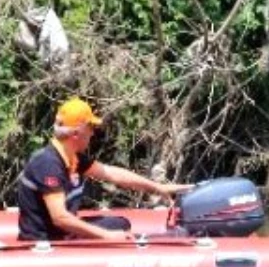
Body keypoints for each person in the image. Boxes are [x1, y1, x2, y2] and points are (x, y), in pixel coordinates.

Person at [17, 97, 194, 241]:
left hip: (62, 233)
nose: (93, 133)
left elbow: (112, 174)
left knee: (119, 223)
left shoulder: (73, 157)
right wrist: (106, 236)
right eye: (90, 127)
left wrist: (157, 188)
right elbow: (60, 218)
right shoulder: (48, 164)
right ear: (76, 133)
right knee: (113, 231)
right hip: (47, 241)